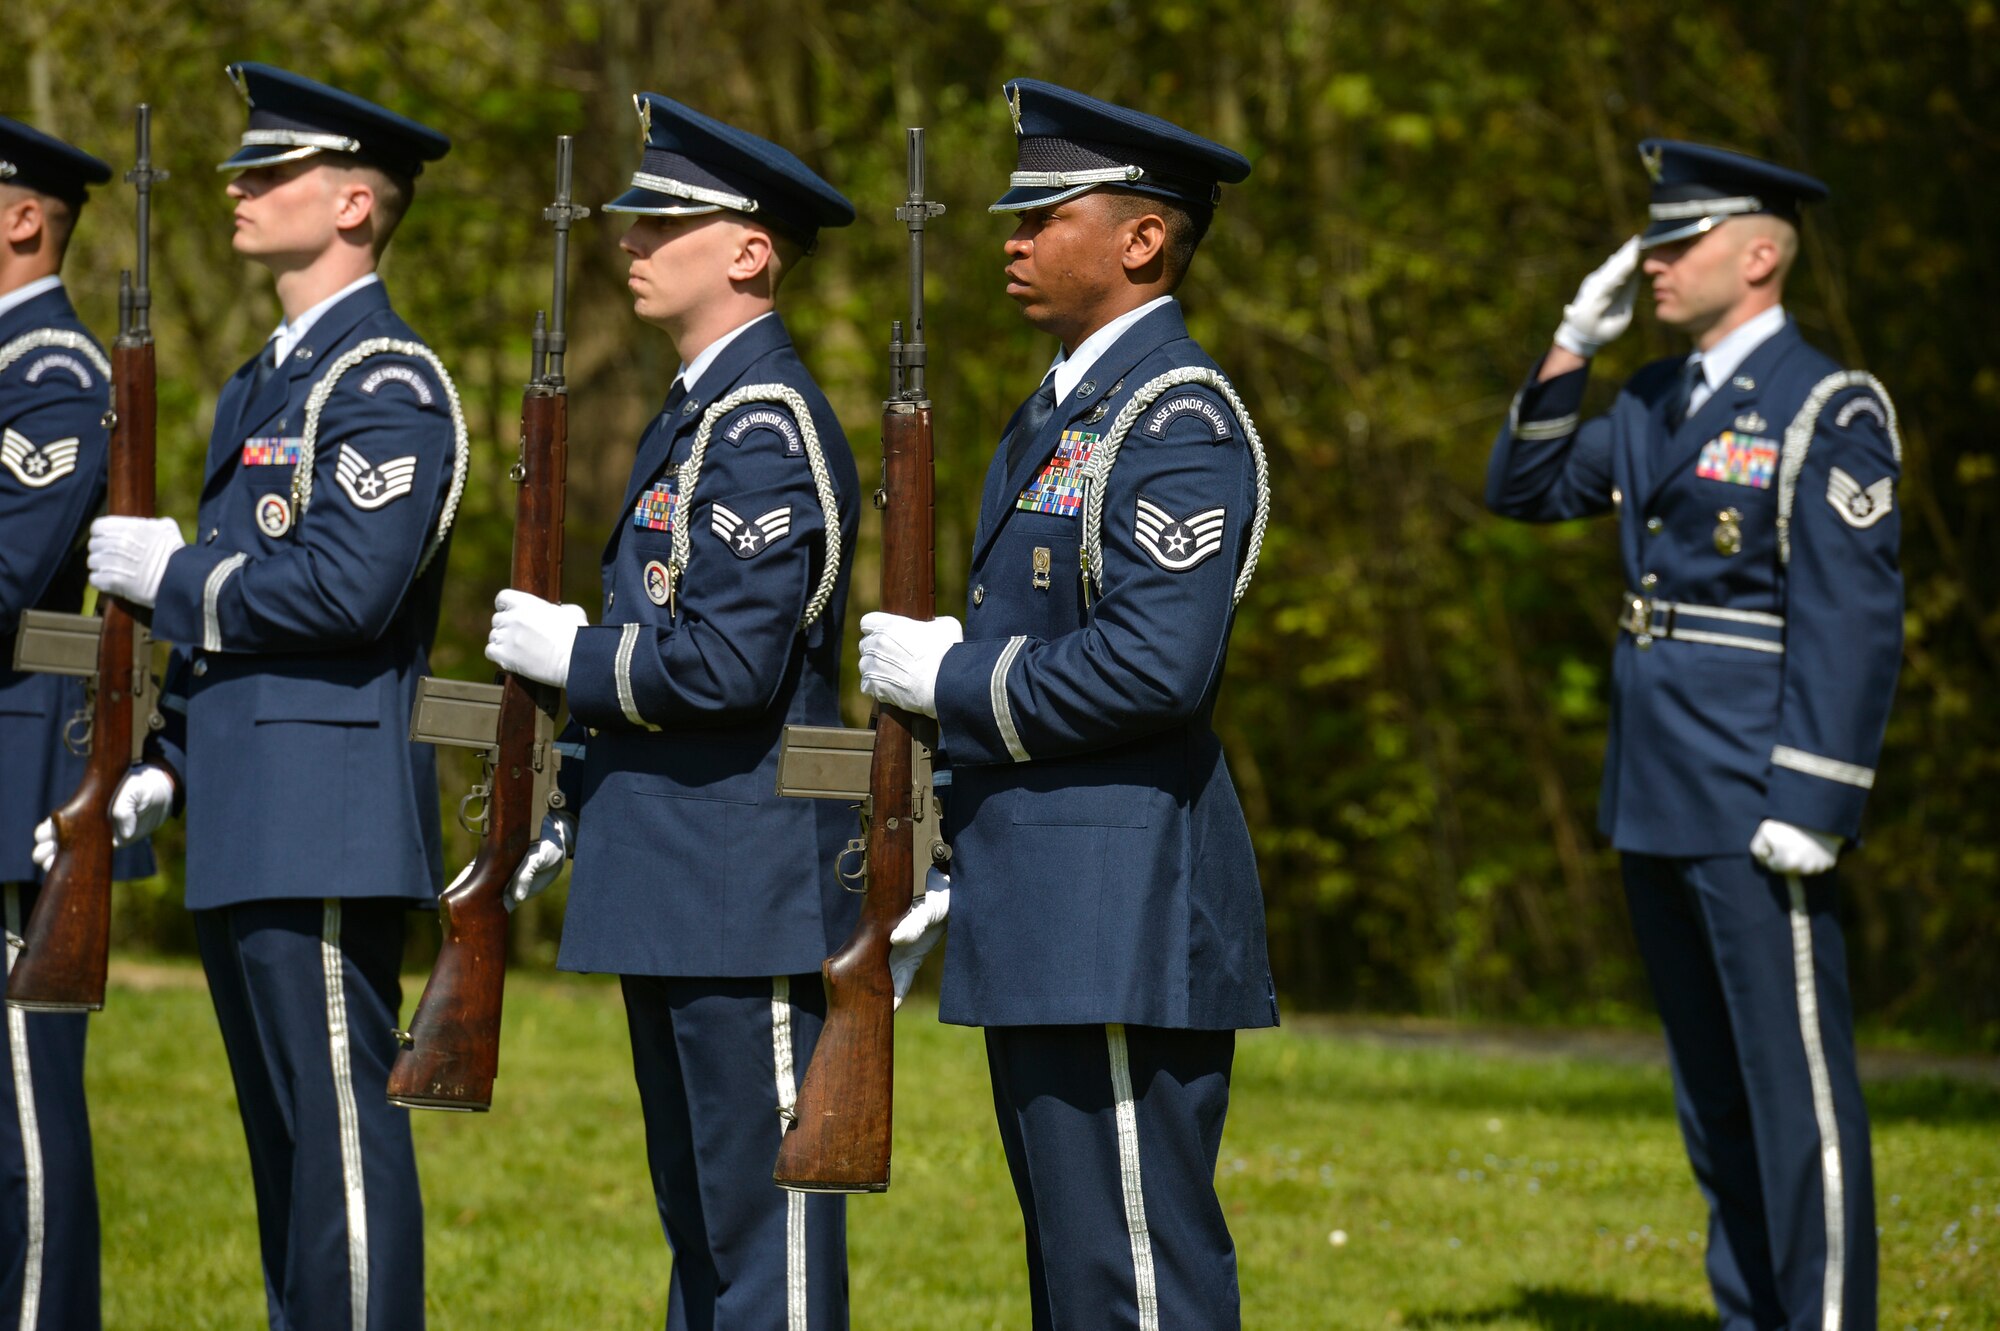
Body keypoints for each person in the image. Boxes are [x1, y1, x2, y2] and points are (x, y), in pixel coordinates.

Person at [856, 79, 1274, 1329]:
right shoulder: (1060, 409)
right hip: (1046, 888)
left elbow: (1155, 665)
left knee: (1134, 1269)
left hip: (1121, 902)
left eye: (1043, 211)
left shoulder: (1174, 417)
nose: (1011, 236)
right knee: (1072, 1268)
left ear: (1142, 238)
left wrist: (952, 679)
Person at [1485, 139, 1901, 1330]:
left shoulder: (1826, 406)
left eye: (1678, 241)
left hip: (1755, 789)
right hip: (1656, 785)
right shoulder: (1661, 397)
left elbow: (1850, 618)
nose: (1648, 262)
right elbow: (1525, 491)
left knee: (1794, 1092)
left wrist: (1815, 799)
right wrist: (1571, 344)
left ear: (1758, 254)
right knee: (1712, 1098)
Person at [83, 64, 460, 1331]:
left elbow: (345, 591)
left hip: (325, 806)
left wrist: (173, 573)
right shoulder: (266, 381)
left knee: (339, 1141)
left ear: (355, 203)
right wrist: (171, 758)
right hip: (249, 803)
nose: (238, 188)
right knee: (285, 1147)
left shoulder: (387, 383)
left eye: (273, 171)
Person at [481, 94, 859, 1329]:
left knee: (763, 1240)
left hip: (738, 880)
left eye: (664, 222)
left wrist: (575, 657)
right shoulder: (703, 408)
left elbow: (727, 668)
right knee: (700, 1229)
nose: (630, 242)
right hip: (678, 862)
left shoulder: (760, 422)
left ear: (749, 250)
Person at [0, 113, 156, 1331]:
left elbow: (7, 563)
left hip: (16, 796)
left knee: (22, 1138)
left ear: (19, 217)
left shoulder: (52, 373)